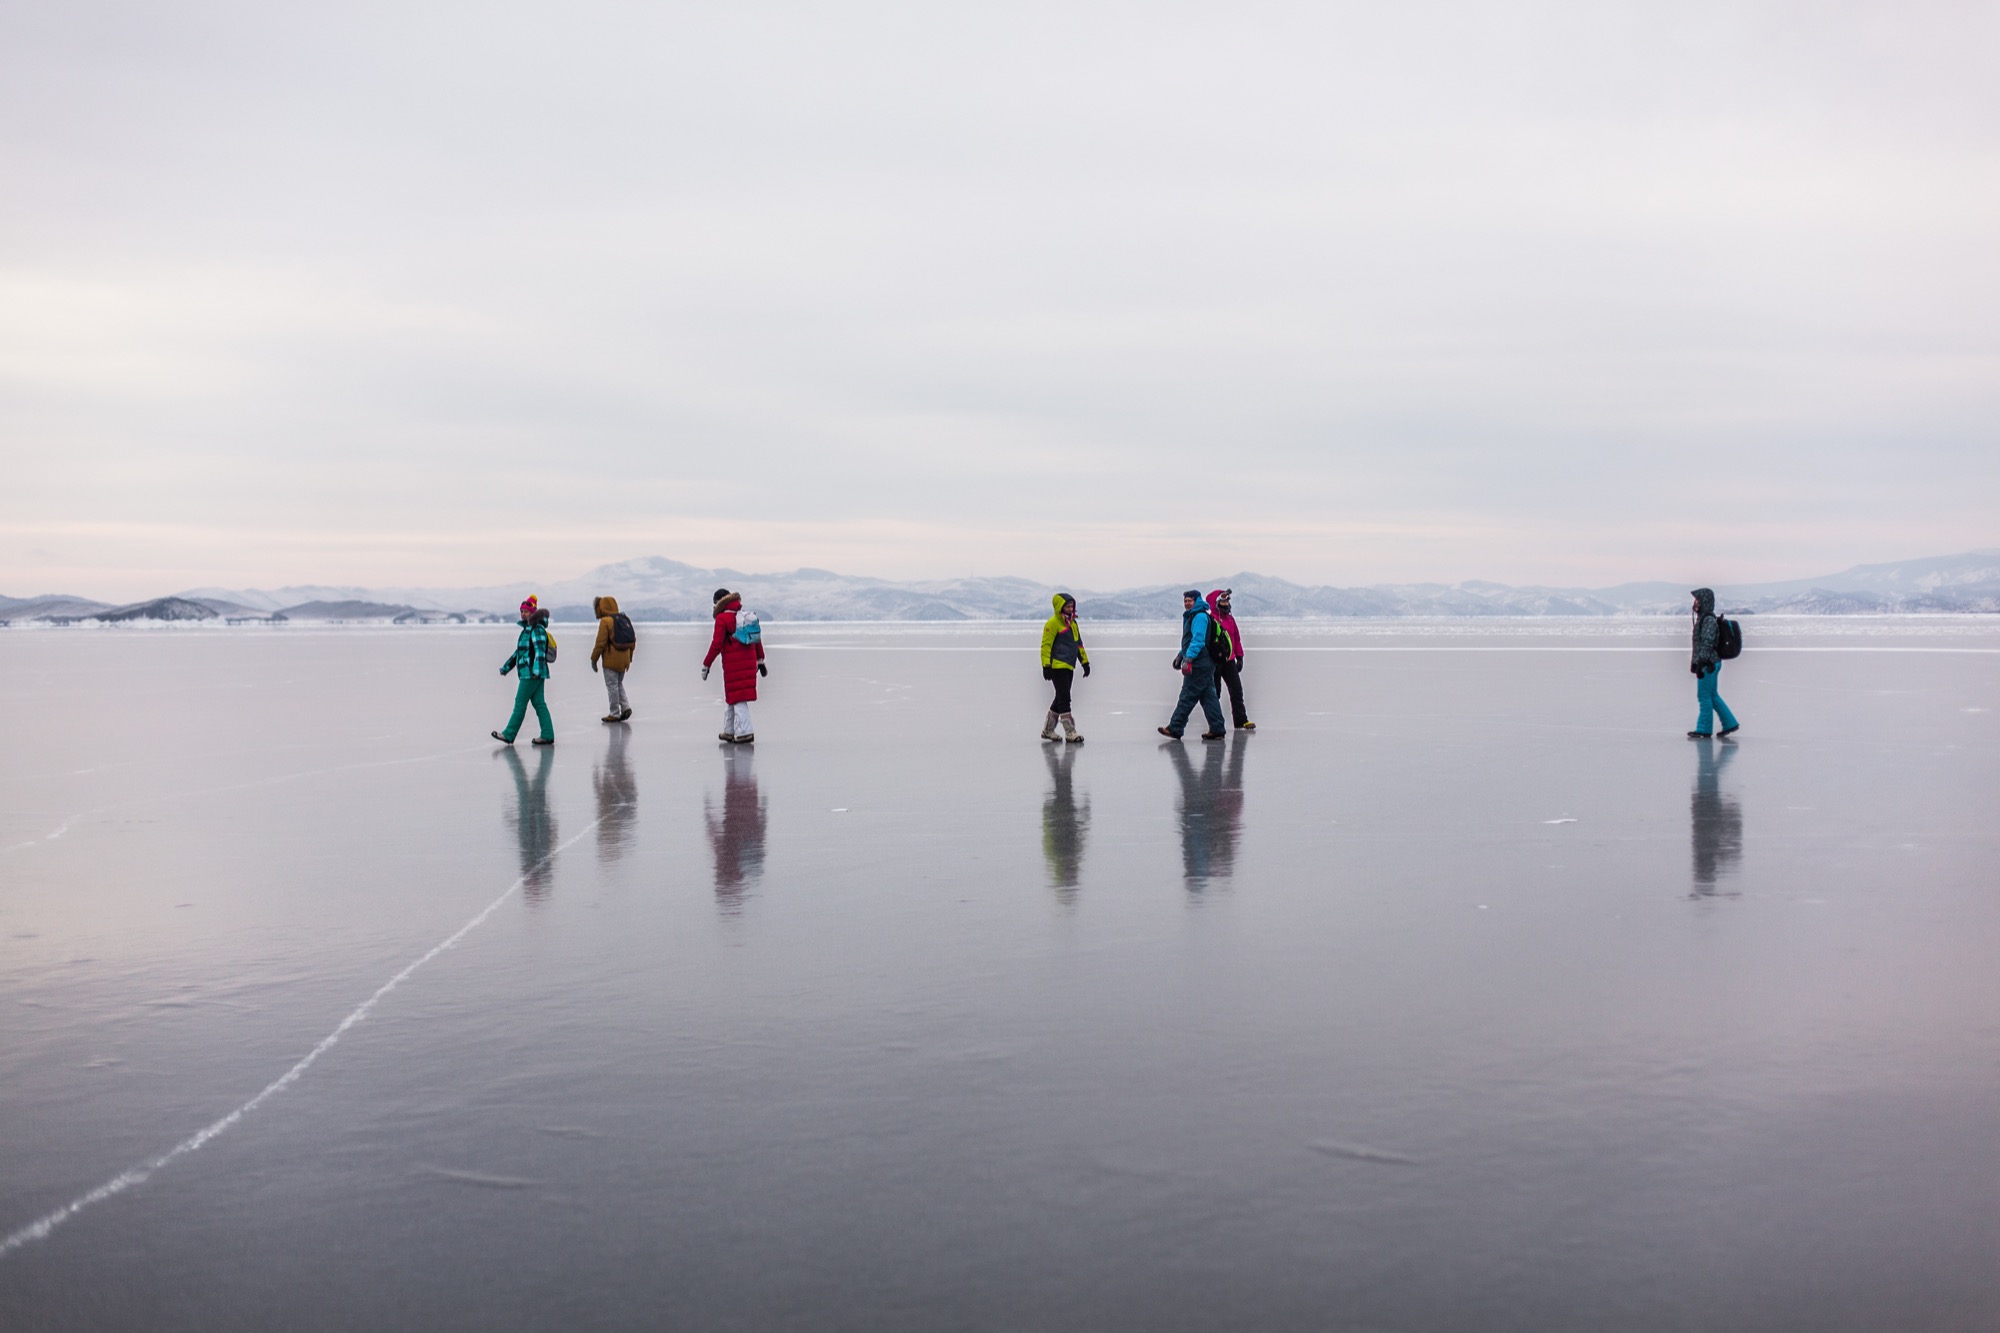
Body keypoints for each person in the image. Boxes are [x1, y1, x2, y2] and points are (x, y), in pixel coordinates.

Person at [1159, 588, 1226, 741]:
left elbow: (1198, 640)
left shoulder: (1200, 616)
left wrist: (1188, 659)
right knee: (1208, 695)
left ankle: (1175, 727)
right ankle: (1217, 728)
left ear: (1197, 601)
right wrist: (1181, 655)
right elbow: (1190, 640)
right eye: (1185, 601)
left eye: (1190, 601)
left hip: (1200, 662)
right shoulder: (1195, 615)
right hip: (1203, 661)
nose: (1187, 603)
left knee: (1188, 694)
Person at [703, 588, 767, 743]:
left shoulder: (722, 618)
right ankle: (729, 730)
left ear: (718, 602)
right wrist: (760, 660)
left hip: (734, 664)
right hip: (749, 662)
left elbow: (716, 644)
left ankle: (745, 732)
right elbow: (756, 639)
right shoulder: (745, 615)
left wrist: (707, 664)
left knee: (738, 699)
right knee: (732, 697)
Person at [493, 596, 555, 746]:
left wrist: (536, 670)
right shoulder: (527, 630)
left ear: (533, 613)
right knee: (539, 703)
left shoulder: (537, 629)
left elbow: (540, 651)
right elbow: (518, 653)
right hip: (531, 672)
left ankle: (509, 734)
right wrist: (506, 667)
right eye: (521, 611)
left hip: (531, 674)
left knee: (520, 703)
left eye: (526, 611)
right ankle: (547, 734)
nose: (523, 614)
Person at [1038, 592, 1091, 743]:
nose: (1070, 609)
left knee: (1060, 697)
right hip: (1056, 666)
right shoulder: (1053, 623)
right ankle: (1070, 731)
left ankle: (1048, 730)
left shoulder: (1073, 623)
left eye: (1072, 606)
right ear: (1060, 607)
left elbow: (1078, 644)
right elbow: (1046, 646)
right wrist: (1046, 665)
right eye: (1067, 606)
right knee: (1065, 698)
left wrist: (1084, 662)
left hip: (1069, 665)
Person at [1688, 587, 1740, 740]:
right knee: (1712, 695)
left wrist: (1701, 663)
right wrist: (1695, 662)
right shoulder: (1704, 618)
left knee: (1703, 696)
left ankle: (1703, 729)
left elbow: (1707, 643)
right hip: (1710, 662)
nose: (1695, 602)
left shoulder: (1708, 620)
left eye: (1697, 599)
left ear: (1704, 601)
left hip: (1709, 664)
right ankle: (1730, 723)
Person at [1208, 589, 1256, 732]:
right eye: (1223, 601)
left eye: (1227, 601)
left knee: (1236, 690)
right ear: (1216, 603)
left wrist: (1240, 656)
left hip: (1229, 661)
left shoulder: (1230, 619)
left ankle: (1241, 720)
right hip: (1215, 661)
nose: (1226, 603)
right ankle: (1215, 724)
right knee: (1215, 692)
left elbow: (1236, 638)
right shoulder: (1211, 619)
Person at [589, 595, 636, 723]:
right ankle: (625, 707)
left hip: (611, 660)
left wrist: (594, 659)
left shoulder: (606, 621)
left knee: (612, 686)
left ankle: (614, 713)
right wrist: (629, 658)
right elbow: (633, 640)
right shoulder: (623, 618)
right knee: (618, 684)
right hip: (624, 659)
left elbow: (600, 643)